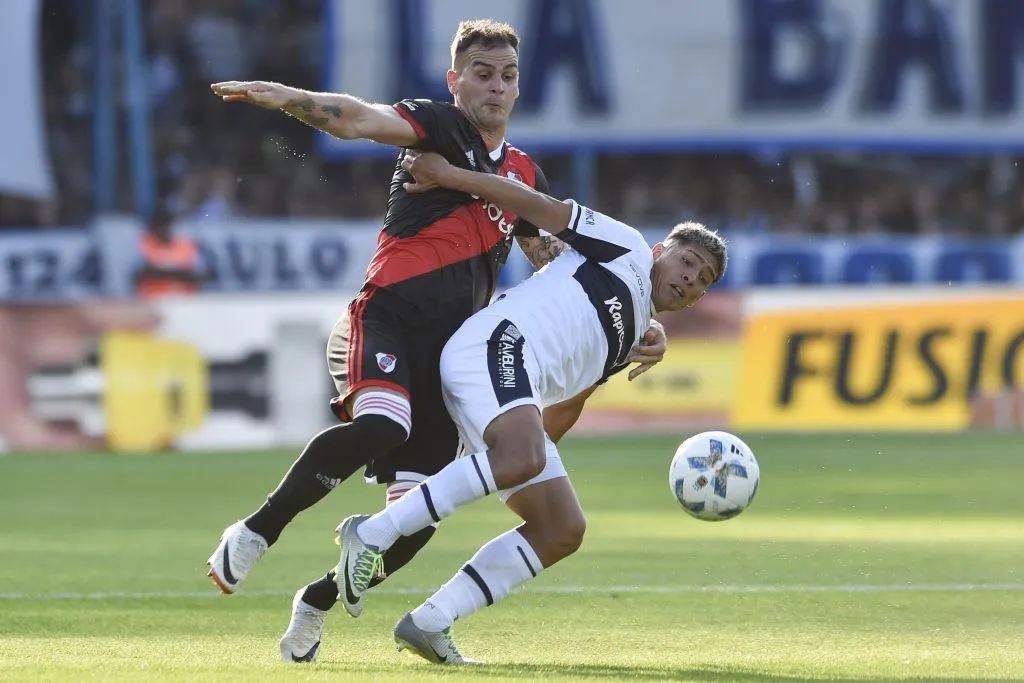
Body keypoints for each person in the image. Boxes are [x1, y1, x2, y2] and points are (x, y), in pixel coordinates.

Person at [201, 19, 668, 661]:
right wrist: (286, 97)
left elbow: (548, 255)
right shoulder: (437, 127)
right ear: (456, 81)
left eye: (507, 75)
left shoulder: (524, 171)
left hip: (448, 353)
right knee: (384, 425)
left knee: (417, 515)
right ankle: (256, 531)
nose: (496, 86)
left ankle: (314, 602)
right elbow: (356, 119)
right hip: (388, 315)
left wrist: (637, 313)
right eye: (482, 73)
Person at [337, 149, 727, 665]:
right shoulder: (626, 247)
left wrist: (531, 456)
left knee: (561, 527)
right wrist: (453, 175)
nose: (689, 279)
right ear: (661, 250)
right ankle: (371, 532)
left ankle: (431, 622)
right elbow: (536, 204)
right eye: (687, 263)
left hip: (510, 390)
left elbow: (567, 405)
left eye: (701, 282)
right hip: (497, 344)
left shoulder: (633, 335)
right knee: (524, 456)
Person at [134, 208, 205, 298]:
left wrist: (161, 271)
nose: (163, 230)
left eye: (166, 225)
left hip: (185, 300)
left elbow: (199, 275)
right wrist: (179, 272)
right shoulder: (144, 243)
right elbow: (140, 274)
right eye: (159, 226)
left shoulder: (186, 244)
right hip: (153, 300)